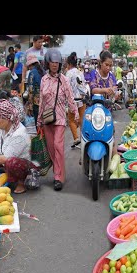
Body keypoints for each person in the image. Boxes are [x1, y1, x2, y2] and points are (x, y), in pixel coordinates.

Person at [37, 48, 79, 191]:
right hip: (47, 118)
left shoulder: (64, 80)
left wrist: (75, 112)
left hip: (60, 117)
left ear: (60, 64)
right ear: (47, 63)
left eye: (57, 62)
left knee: (58, 146)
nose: (54, 65)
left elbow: (70, 97)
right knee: (51, 148)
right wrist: (39, 120)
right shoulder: (44, 80)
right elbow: (41, 100)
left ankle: (58, 177)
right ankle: (57, 171)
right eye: (52, 62)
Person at [65, 53, 87, 148]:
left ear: (69, 64)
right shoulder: (80, 72)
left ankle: (76, 138)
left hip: (72, 100)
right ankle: (84, 138)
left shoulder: (68, 74)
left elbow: (66, 87)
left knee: (71, 120)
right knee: (82, 120)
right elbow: (83, 86)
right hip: (81, 100)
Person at [25, 53, 45, 130]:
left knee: (39, 124)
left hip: (37, 103)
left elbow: (31, 90)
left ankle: (42, 140)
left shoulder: (32, 73)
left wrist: (30, 106)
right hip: (46, 101)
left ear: (30, 65)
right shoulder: (43, 71)